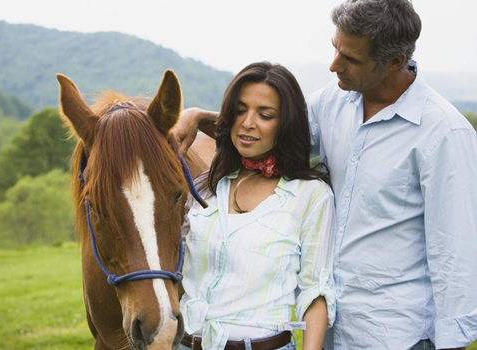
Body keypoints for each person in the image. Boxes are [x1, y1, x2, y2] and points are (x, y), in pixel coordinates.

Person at [174, 1, 477, 349]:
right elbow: (266, 134)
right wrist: (198, 118)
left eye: (351, 59)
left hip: (397, 335)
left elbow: (456, 255)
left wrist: (452, 343)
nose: (334, 65)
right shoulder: (331, 103)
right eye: (336, 48)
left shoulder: (443, 133)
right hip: (332, 330)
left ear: (395, 61)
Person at [179, 62, 336, 350]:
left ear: (286, 123)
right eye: (240, 110)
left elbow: (315, 291)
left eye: (265, 115)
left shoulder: (310, 195)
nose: (247, 123)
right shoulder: (204, 187)